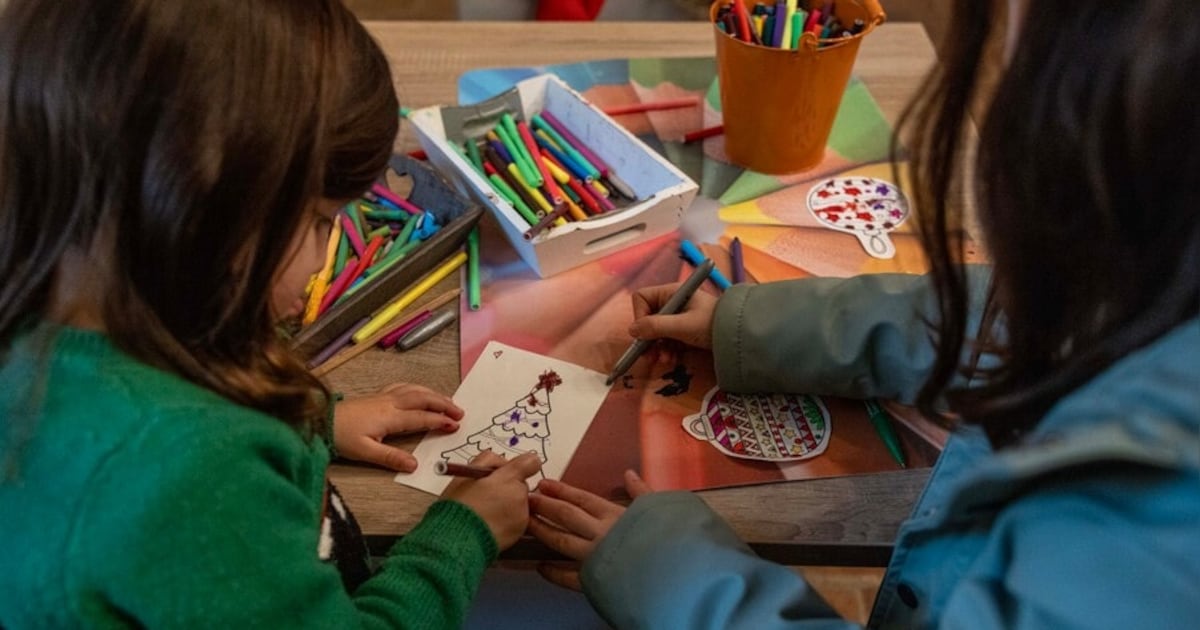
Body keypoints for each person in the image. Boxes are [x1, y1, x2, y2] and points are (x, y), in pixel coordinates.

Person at [527, 0, 1200, 627]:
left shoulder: (1142, 531)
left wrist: (678, 578)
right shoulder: (1147, 277)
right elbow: (1012, 322)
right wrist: (751, 327)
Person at [0, 0, 540, 627]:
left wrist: (318, 418)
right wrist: (461, 535)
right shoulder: (193, 477)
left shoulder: (76, 296)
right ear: (190, 208)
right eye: (318, 222)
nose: (322, 260)